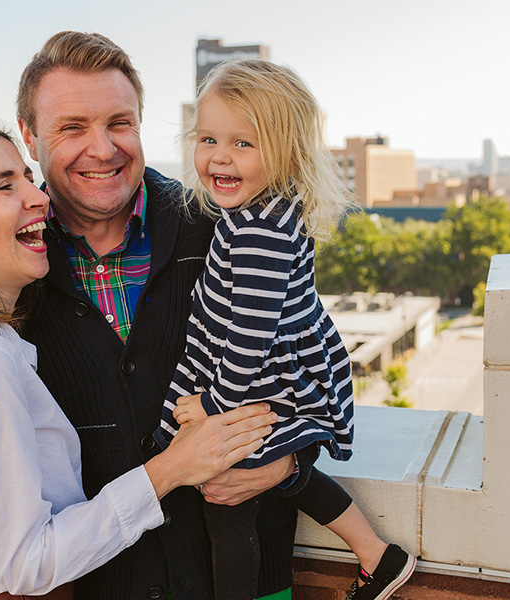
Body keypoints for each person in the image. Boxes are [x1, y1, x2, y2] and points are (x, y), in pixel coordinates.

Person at [0, 32, 314, 600]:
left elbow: (307, 356)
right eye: (72, 128)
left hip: (237, 573)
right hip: (97, 583)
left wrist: (290, 463)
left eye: (120, 122)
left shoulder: (222, 226)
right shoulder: (8, 259)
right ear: (30, 137)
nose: (102, 149)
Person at [153, 59, 416, 600]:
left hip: (257, 383)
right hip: (274, 379)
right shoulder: (267, 211)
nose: (220, 156)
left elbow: (249, 336)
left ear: (286, 152)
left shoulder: (256, 230)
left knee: (227, 505)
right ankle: (377, 555)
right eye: (208, 138)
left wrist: (214, 405)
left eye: (243, 144)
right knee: (281, 481)